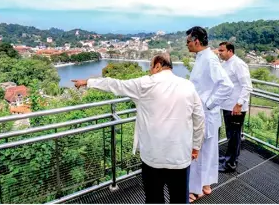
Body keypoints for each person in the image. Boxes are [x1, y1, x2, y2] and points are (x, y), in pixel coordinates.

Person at [72, 53, 205, 204]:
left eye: (150, 66)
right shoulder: (188, 85)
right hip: (180, 156)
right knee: (179, 199)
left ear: (158, 65)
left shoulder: (144, 84)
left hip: (152, 157)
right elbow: (199, 119)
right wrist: (196, 146)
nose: (149, 70)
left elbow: (115, 84)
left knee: (154, 199)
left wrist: (87, 82)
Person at [185, 26, 234, 202]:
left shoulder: (209, 60)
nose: (186, 45)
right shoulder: (202, 57)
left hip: (205, 113)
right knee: (207, 151)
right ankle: (205, 184)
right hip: (205, 113)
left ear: (196, 41)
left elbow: (227, 85)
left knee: (199, 151)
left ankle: (196, 189)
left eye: (188, 41)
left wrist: (208, 103)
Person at [217, 42, 253, 172]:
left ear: (230, 51)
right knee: (230, 135)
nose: (219, 53)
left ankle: (230, 164)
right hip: (227, 106)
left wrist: (239, 104)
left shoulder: (238, 64)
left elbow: (247, 86)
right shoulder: (226, 64)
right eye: (219, 51)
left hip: (235, 108)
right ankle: (228, 158)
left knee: (234, 136)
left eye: (222, 51)